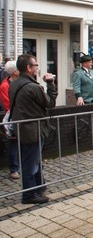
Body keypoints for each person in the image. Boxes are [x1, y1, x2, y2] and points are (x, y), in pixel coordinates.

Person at [9, 54, 57, 204]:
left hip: (22, 128)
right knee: (31, 163)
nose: (37, 67)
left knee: (31, 160)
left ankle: (38, 187)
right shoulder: (32, 87)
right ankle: (29, 195)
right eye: (35, 65)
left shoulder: (14, 84)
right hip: (33, 130)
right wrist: (51, 83)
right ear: (29, 68)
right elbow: (50, 103)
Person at [0, 60, 20, 180]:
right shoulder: (4, 86)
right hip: (13, 117)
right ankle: (14, 169)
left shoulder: (20, 82)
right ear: (13, 72)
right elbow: (8, 104)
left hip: (22, 115)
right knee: (14, 144)